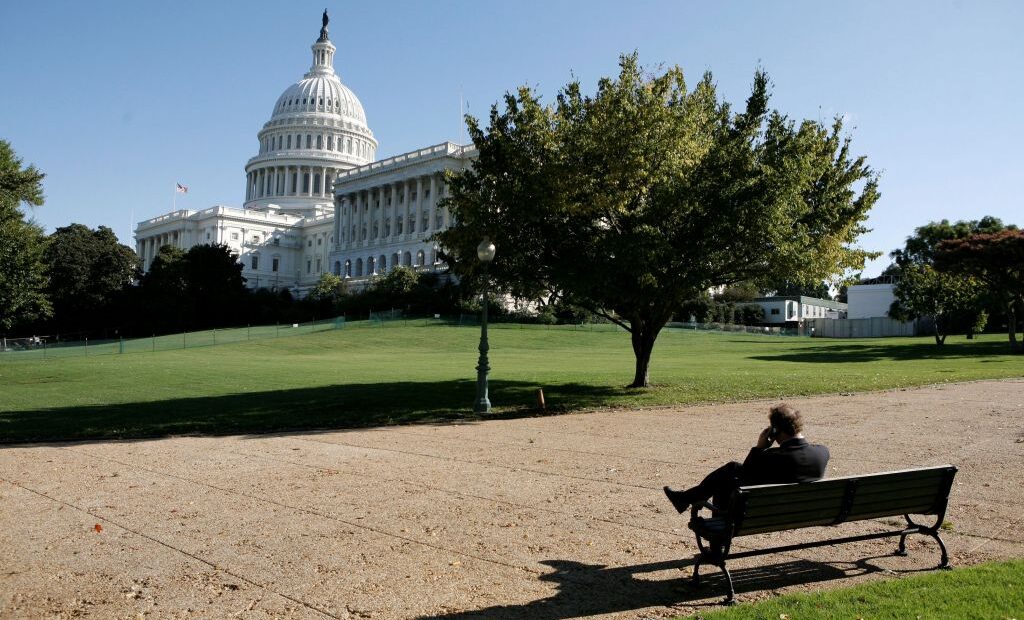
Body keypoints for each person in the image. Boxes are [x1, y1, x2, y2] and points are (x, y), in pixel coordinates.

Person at [663, 403, 829, 514]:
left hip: (760, 512)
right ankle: (685, 498)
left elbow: (746, 472)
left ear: (775, 430)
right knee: (732, 471)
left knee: (728, 476)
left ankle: (687, 500)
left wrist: (759, 448)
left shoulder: (771, 458)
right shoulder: (822, 453)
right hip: (800, 511)